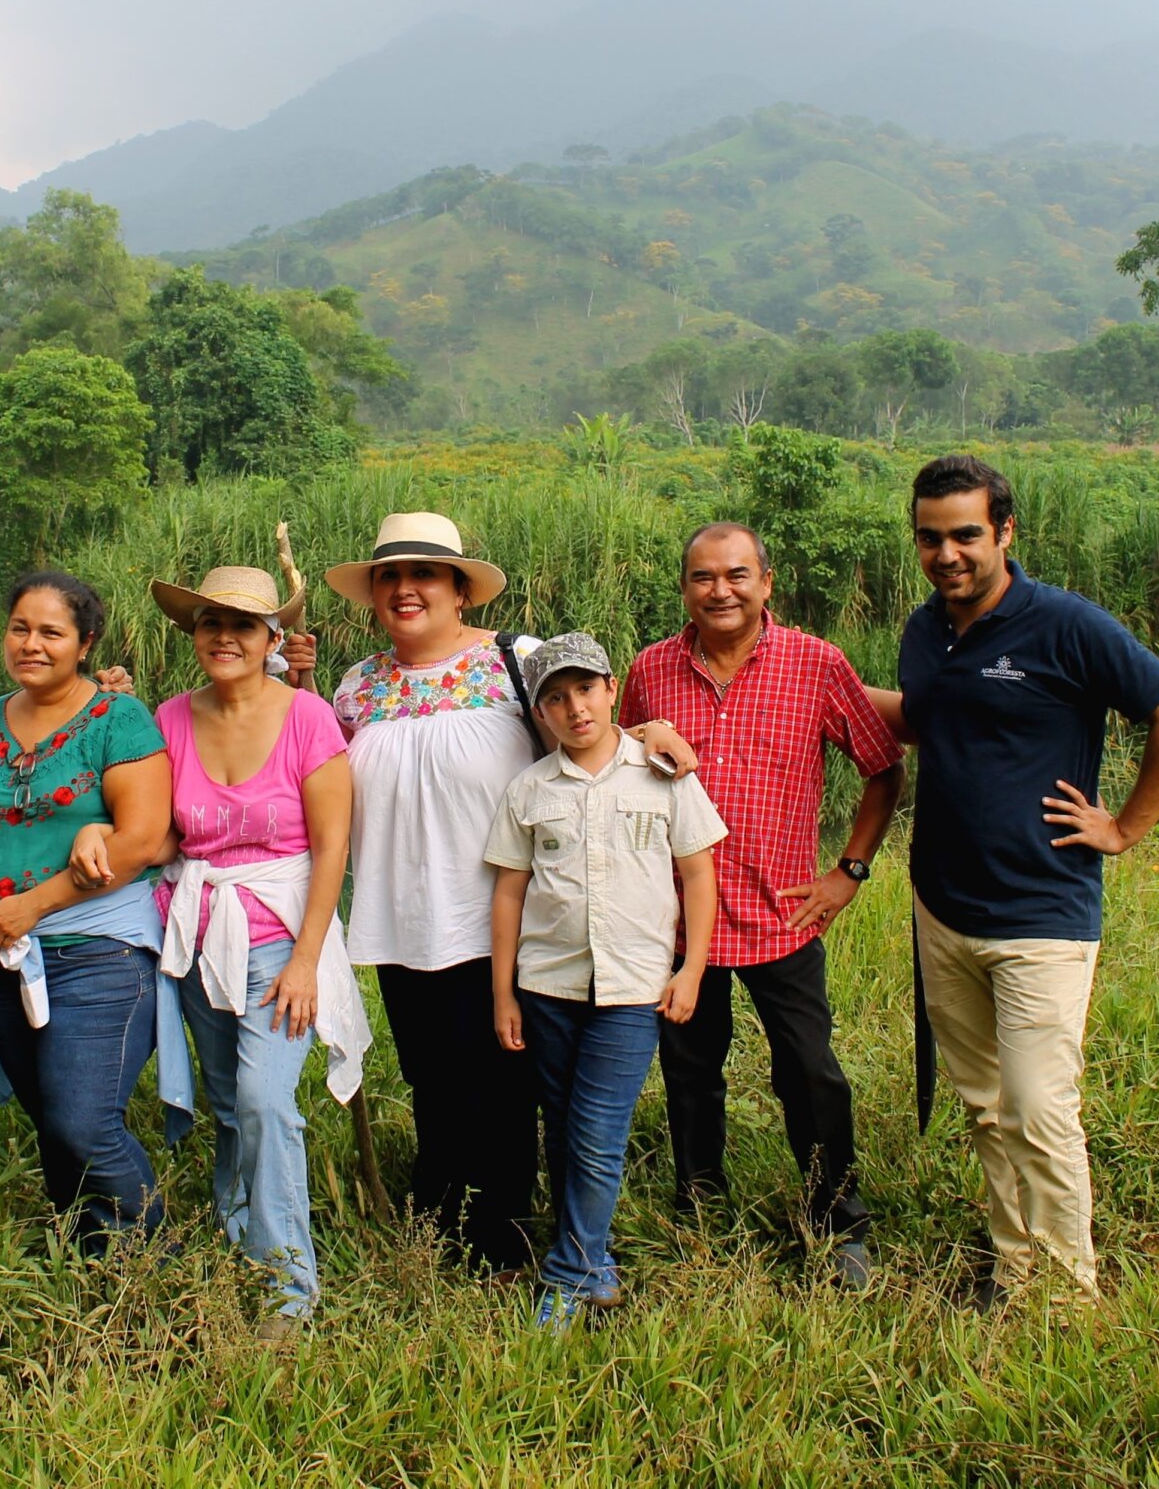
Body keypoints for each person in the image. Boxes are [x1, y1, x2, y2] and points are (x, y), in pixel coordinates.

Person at [286, 512, 693, 1278]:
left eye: (425, 575)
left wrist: (650, 728)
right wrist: (300, 686)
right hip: (399, 914)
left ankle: (504, 1230)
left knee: (505, 1081)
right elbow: (317, 770)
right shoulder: (358, 684)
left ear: (460, 590)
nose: (406, 590)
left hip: (504, 914)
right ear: (374, 594)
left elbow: (587, 726)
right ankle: (439, 1213)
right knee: (431, 1074)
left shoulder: (516, 660)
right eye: (390, 578)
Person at [872, 454, 1159, 1305]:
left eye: (966, 535)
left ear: (1006, 532)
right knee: (986, 1105)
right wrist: (810, 686)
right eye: (930, 537)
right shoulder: (925, 628)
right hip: (942, 905)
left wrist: (1123, 826)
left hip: (1042, 910)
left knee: (1038, 1107)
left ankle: (1067, 1295)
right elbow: (925, 717)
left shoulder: (1064, 624)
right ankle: (1011, 1268)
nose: (947, 553)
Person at [621, 521, 904, 1291]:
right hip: (678, 922)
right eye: (704, 577)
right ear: (685, 588)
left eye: (737, 575)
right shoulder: (649, 669)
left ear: (766, 583)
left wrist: (849, 870)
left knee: (810, 1071)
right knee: (689, 1071)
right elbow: (612, 766)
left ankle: (836, 1218)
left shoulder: (816, 664)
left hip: (783, 913)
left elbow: (883, 767)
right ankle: (701, 1205)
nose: (721, 590)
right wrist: (641, 731)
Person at [148, 565, 370, 1338]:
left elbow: (332, 845)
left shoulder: (309, 717)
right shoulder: (169, 717)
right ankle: (238, 1225)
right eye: (210, 624)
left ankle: (289, 1286)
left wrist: (309, 957)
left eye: (243, 626)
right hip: (198, 928)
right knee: (226, 1101)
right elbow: (160, 832)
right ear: (194, 635)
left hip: (280, 935)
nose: (224, 638)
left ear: (272, 638)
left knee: (265, 1099)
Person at [485, 633, 726, 1329]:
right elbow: (509, 891)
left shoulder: (662, 773)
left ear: (612, 687)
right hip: (549, 984)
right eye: (555, 698)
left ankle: (564, 1274)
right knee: (561, 1125)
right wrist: (504, 992)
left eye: (585, 689)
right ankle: (597, 1268)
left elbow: (698, 873)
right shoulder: (530, 789)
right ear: (540, 713)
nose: (575, 707)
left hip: (633, 987)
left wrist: (693, 967)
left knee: (597, 1130)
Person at [0, 570, 187, 1250]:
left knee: (84, 1121)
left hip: (98, 951)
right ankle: (89, 1249)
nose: (32, 643)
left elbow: (139, 841)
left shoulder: (117, 720)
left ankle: (151, 1252)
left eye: (51, 631)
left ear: (84, 643)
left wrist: (32, 905)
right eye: (20, 627)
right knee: (50, 1116)